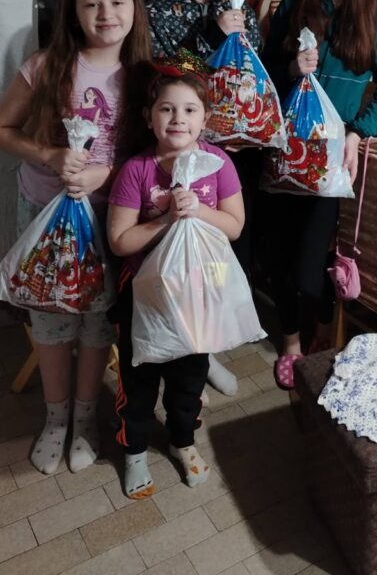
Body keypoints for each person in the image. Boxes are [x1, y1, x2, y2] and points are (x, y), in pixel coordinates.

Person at [0, 0, 151, 475]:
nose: (106, 14)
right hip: (44, 215)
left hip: (112, 220)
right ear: (73, 12)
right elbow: (0, 129)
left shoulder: (145, 77)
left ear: (134, 8)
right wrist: (50, 155)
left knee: (98, 321)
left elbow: (157, 153)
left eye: (117, 2)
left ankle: (85, 419)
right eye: (91, 3)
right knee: (52, 318)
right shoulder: (45, 66)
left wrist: (108, 173)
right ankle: (55, 418)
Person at [262, 0, 377, 390]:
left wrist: (358, 133)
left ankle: (322, 321)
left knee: (310, 267)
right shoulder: (291, 8)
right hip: (284, 153)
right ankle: (291, 343)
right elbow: (264, 79)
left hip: (330, 159)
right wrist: (291, 69)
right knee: (279, 258)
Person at [107, 65, 244, 497]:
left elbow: (235, 226)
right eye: (167, 109)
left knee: (190, 377)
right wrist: (166, 218)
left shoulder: (218, 164)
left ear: (205, 119)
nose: (178, 118)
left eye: (189, 109)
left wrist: (198, 211)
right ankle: (134, 450)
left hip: (199, 293)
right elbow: (119, 241)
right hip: (144, 293)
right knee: (139, 380)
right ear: (149, 117)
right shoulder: (137, 170)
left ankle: (183, 441)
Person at [145, 0, 260, 390]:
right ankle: (177, 346)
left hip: (230, 153)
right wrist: (214, 33)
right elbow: (163, 74)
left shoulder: (239, 9)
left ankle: (206, 349)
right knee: (178, 253)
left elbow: (252, 76)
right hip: (177, 152)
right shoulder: (156, 10)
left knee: (219, 253)